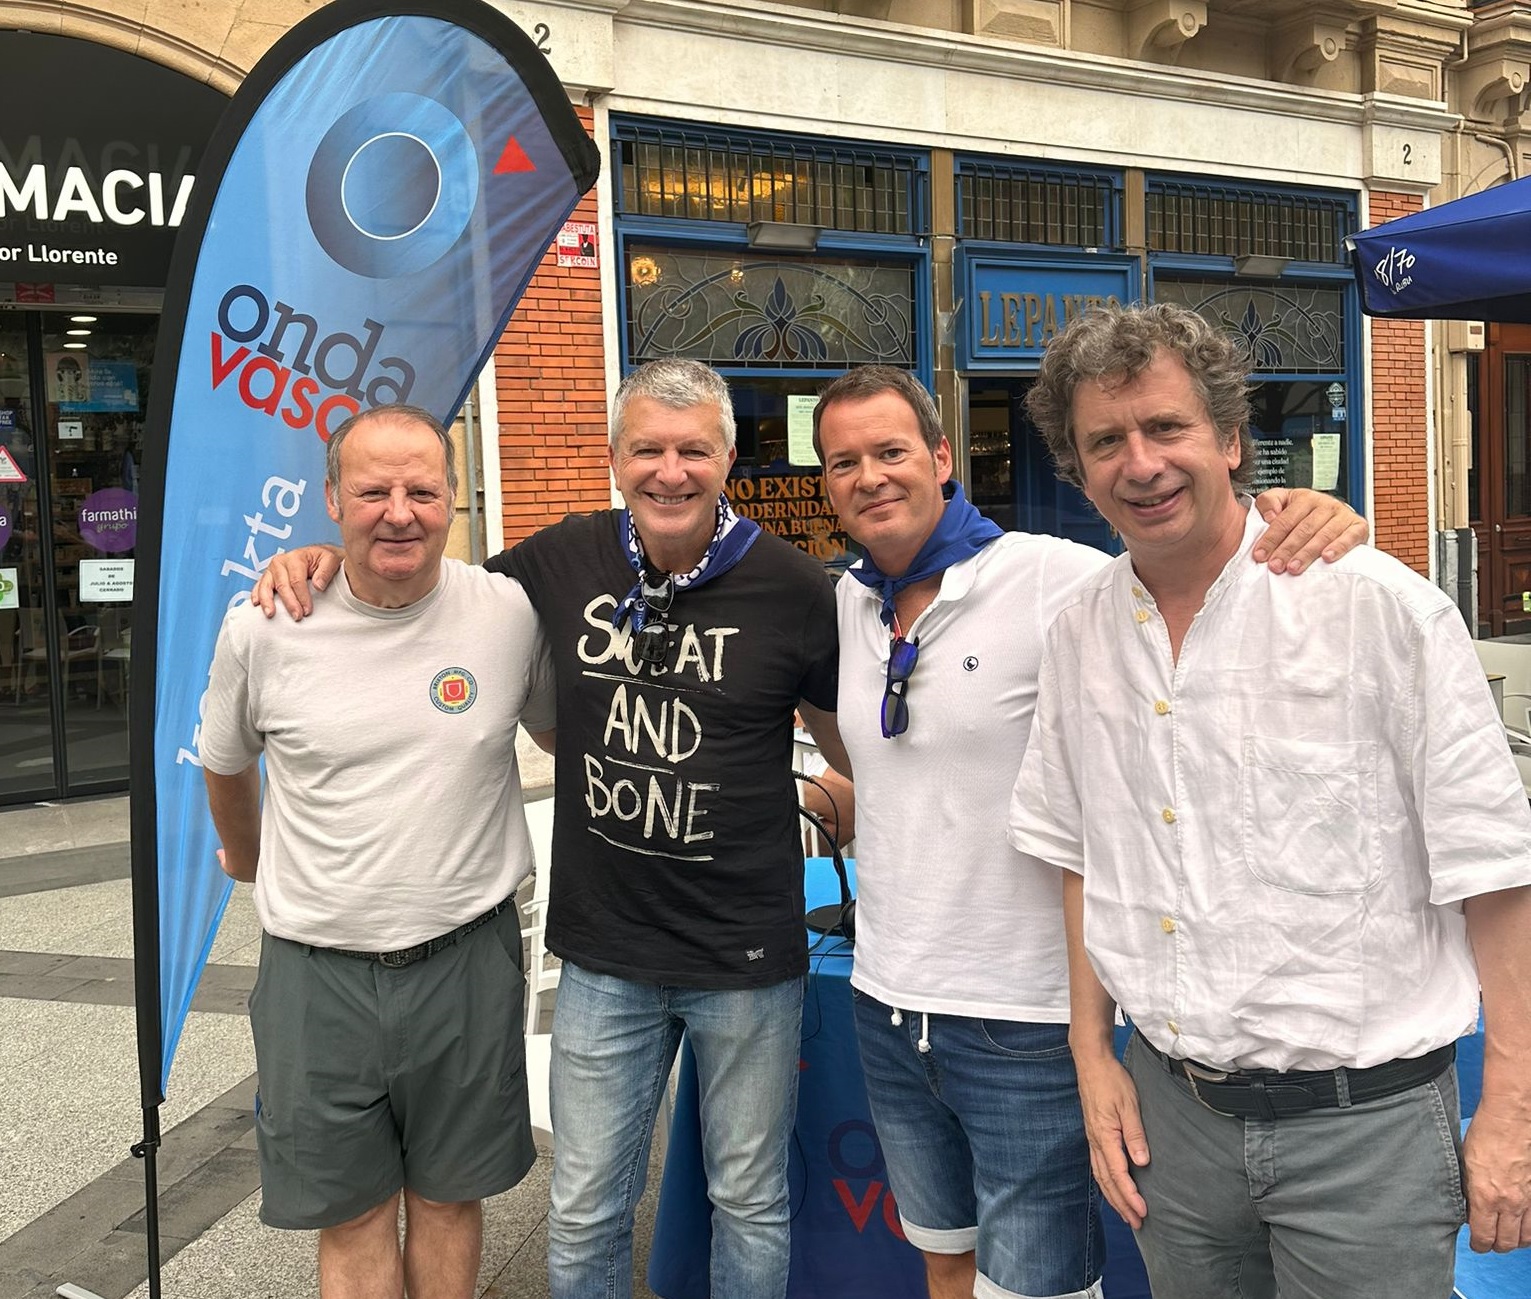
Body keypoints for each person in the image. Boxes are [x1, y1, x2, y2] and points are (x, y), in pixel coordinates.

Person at [254, 359, 847, 1299]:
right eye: (646, 448)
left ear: (729, 456)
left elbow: (848, 743)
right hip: (605, 952)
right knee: (583, 1205)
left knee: (748, 1196)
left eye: (693, 449)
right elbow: (417, 587)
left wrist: (851, 806)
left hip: (746, 956)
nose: (670, 470)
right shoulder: (560, 560)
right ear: (614, 459)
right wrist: (321, 562)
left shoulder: (791, 583)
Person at [1008, 302, 1531, 1299]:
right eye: (1105, 441)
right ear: (1076, 470)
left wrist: (1510, 1104)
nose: (1141, 463)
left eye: (1165, 428)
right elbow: (1081, 854)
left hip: (1363, 1132)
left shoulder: (1379, 608)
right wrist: (1092, 1054)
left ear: (1231, 439)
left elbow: (1493, 873)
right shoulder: (1078, 633)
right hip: (1173, 1117)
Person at [812, 362, 1367, 1299]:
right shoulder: (846, 603)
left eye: (891, 451)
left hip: (1023, 1015)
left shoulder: (1049, 576)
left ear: (942, 458)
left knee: (1035, 1287)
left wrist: (1317, 517)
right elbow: (879, 777)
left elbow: (1195, 560)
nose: (869, 475)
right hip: (887, 998)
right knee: (942, 1256)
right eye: (842, 461)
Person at [200, 404, 555, 1299]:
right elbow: (224, 759)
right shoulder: (266, 624)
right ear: (330, 498)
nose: (399, 510)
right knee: (351, 1211)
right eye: (372, 490)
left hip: (466, 957)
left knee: (448, 1196)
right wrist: (245, 860)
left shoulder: (506, 611)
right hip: (318, 971)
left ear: (451, 499)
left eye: (422, 489)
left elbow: (561, 732)